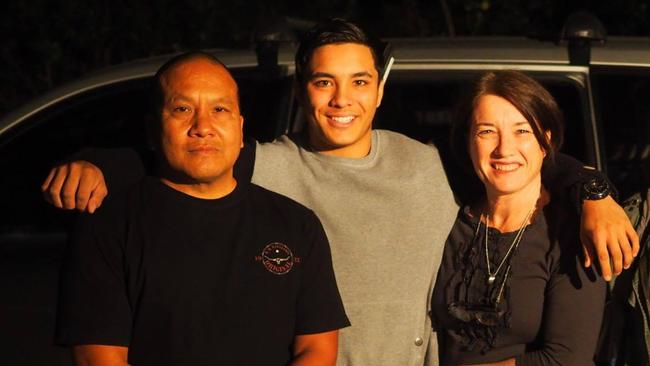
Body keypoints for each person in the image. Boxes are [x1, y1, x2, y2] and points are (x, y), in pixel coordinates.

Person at [44, 20, 636, 366]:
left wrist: (594, 190)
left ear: (378, 91)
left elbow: (520, 159)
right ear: (302, 92)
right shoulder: (267, 166)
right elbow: (184, 149)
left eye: (358, 82)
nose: (341, 100)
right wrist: (99, 164)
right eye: (324, 82)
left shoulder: (430, 163)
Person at [55, 52, 349, 366]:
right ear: (154, 128)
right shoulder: (107, 224)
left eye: (219, 109)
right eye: (182, 109)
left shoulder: (296, 224)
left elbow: (316, 349)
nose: (202, 126)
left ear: (239, 129)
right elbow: (98, 357)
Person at [432, 70, 605, 365]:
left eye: (522, 131)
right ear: (468, 142)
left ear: (545, 141)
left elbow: (567, 360)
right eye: (486, 131)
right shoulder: (446, 220)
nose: (504, 149)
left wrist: (599, 194)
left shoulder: (571, 234)